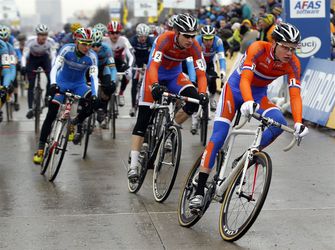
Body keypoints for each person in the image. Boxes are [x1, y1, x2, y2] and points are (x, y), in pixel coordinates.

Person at [188, 22, 309, 209]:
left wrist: (299, 122)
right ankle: (199, 190)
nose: (289, 53)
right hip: (235, 90)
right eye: (285, 47)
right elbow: (245, 79)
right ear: (274, 42)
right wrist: (247, 100)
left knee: (278, 123)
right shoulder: (258, 48)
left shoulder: (293, 63)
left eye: (293, 49)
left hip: (259, 95)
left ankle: (245, 158)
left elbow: (294, 94)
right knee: (219, 137)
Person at [127, 13, 208, 180]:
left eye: (193, 36)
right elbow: (153, 65)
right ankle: (133, 165)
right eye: (186, 36)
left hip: (174, 77)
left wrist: (202, 92)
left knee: (194, 101)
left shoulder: (194, 47)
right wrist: (155, 85)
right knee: (143, 119)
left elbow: (201, 74)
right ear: (177, 32)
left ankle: (171, 126)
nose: (190, 40)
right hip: (154, 75)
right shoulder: (164, 39)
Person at [33, 28, 99, 164]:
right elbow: (55, 67)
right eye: (84, 43)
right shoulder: (66, 49)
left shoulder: (92, 56)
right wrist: (53, 84)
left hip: (79, 85)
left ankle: (75, 122)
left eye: (90, 44)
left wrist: (94, 94)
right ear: (76, 41)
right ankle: (40, 148)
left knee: (95, 103)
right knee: (51, 113)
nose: (87, 47)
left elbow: (93, 77)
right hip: (62, 83)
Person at [21, 24, 57, 119]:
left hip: (44, 58)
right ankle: (30, 108)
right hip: (33, 59)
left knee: (51, 78)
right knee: (31, 84)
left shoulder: (50, 41)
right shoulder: (30, 41)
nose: (43, 37)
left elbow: (53, 56)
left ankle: (47, 97)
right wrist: (24, 66)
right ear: (37, 35)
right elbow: (25, 55)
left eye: (45, 34)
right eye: (41, 35)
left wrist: (54, 67)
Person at [103, 21, 134, 107]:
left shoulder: (124, 40)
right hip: (108, 63)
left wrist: (130, 67)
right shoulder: (104, 40)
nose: (115, 35)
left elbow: (131, 56)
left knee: (129, 73)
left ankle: (121, 93)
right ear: (108, 33)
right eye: (112, 33)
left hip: (119, 62)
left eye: (117, 33)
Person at [90, 28, 117, 128]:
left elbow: (113, 68)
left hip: (103, 68)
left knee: (108, 88)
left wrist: (113, 81)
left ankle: (103, 111)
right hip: (91, 69)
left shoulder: (106, 49)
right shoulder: (87, 50)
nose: (96, 48)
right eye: (93, 45)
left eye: (98, 45)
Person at [128, 23, 154, 117]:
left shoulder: (151, 40)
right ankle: (132, 106)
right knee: (134, 83)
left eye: (145, 37)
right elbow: (129, 55)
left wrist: (150, 66)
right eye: (141, 36)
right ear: (137, 36)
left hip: (147, 60)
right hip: (136, 60)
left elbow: (154, 54)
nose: (143, 39)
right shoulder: (132, 41)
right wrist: (131, 66)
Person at [0, 30, 12, 122]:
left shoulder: (3, 46)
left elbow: (7, 70)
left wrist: (5, 86)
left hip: (2, 67)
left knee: (4, 91)